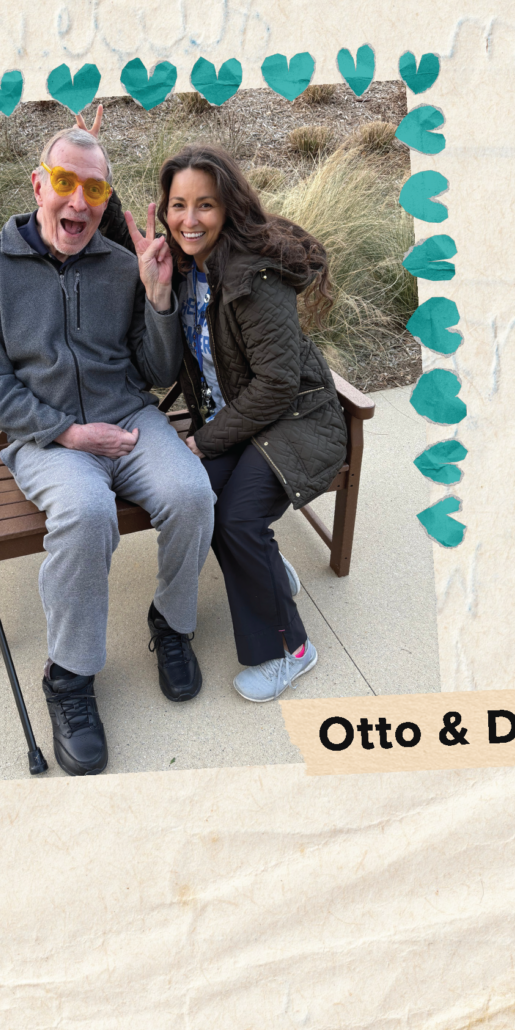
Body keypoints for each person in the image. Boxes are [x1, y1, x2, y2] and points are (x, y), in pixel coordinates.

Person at [0, 125, 213, 777]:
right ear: (38, 184)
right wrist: (69, 433)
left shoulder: (120, 264)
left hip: (126, 416)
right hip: (45, 434)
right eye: (65, 183)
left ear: (105, 198)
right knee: (86, 513)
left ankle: (170, 622)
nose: (78, 203)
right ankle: (69, 678)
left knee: (191, 492)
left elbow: (155, 370)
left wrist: (158, 297)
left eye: (93, 189)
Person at [142, 145, 349, 702]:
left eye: (204, 205)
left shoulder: (252, 276)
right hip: (242, 415)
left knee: (234, 518)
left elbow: (278, 384)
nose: (189, 219)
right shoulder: (188, 266)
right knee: (198, 496)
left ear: (228, 207)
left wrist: (205, 440)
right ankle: (271, 574)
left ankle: (289, 650)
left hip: (296, 417)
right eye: (177, 205)